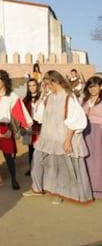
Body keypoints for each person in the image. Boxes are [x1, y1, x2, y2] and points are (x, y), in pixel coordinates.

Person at [22, 70, 93, 205]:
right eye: (45, 85)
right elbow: (38, 116)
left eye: (48, 84)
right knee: (37, 159)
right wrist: (43, 93)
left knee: (63, 167)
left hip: (62, 137)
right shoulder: (49, 97)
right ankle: (37, 188)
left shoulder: (69, 97)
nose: (47, 87)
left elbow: (76, 120)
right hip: (48, 137)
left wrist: (67, 141)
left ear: (57, 82)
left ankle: (61, 193)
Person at [0, 70, 33, 190]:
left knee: (9, 156)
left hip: (5, 130)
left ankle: (14, 180)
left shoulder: (12, 97)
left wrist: (12, 130)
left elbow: (18, 114)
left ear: (3, 81)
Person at [81, 76, 102, 199]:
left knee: (98, 161)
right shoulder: (84, 100)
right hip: (85, 132)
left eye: (95, 86)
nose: (92, 89)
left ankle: (98, 189)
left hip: (99, 132)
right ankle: (87, 187)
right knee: (86, 159)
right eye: (90, 86)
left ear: (100, 87)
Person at [22, 78, 42, 176]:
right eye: (30, 86)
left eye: (34, 85)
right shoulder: (25, 99)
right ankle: (32, 168)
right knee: (31, 149)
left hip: (39, 127)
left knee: (39, 149)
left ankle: (40, 170)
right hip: (30, 127)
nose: (32, 88)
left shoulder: (42, 98)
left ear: (37, 86)